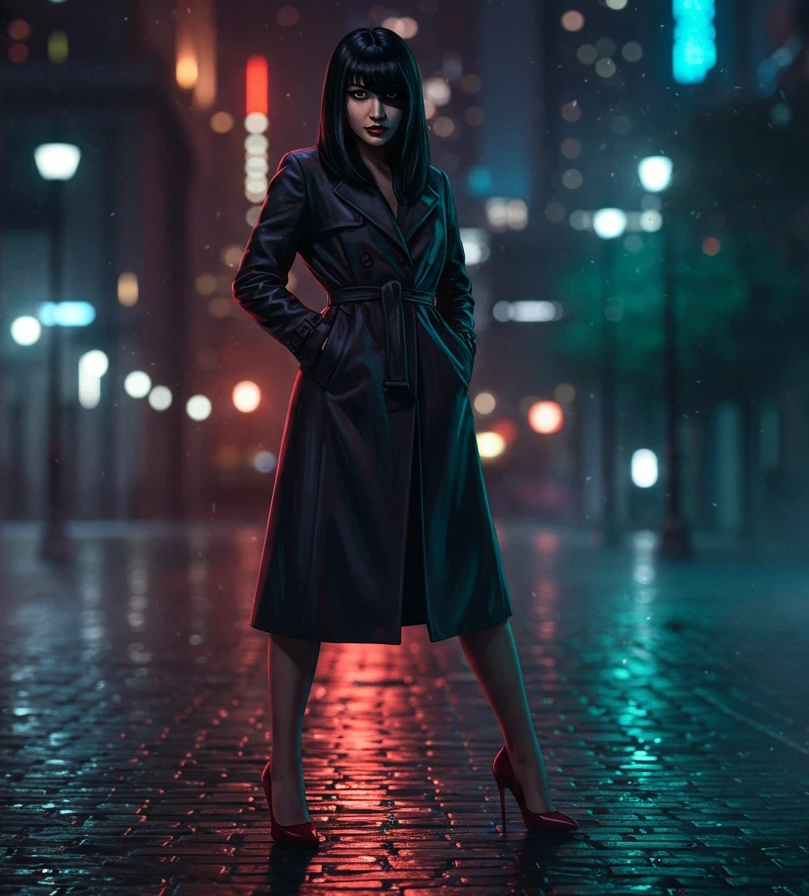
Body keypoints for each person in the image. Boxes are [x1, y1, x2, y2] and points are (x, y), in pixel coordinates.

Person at [232, 26, 579, 846]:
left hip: (434, 403)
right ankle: (287, 773)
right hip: (344, 404)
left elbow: (458, 288)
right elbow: (255, 280)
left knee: (473, 581)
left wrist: (455, 360)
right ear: (338, 98)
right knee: (306, 588)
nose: (376, 110)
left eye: (390, 94)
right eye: (360, 93)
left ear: (411, 102)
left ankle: (526, 765)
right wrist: (327, 347)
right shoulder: (306, 175)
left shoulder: (434, 187)